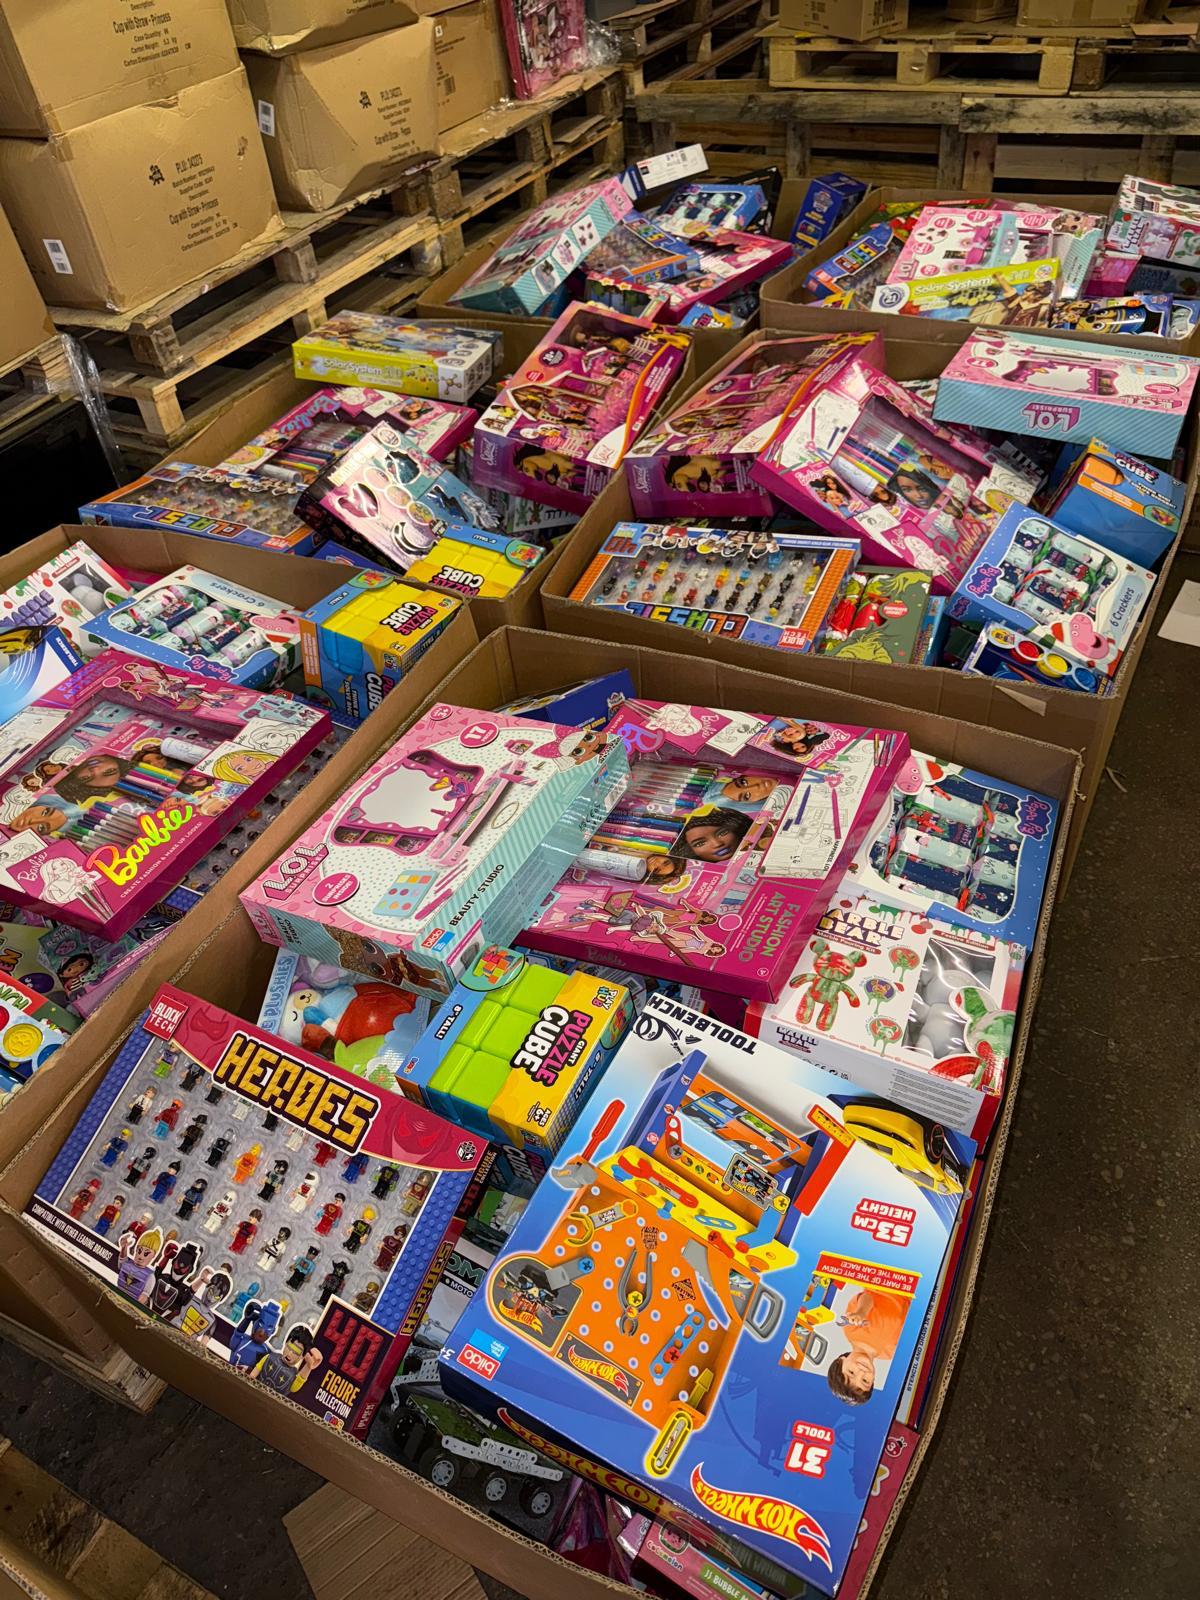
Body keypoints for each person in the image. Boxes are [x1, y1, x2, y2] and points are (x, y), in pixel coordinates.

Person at [826, 1287, 909, 1406]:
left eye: (851, 1372)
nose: (861, 1372)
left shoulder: (850, 1329)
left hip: (891, 1282)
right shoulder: (892, 1353)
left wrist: (861, 1312)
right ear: (873, 1380)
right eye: (865, 1380)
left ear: (841, 1360)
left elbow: (867, 1296)